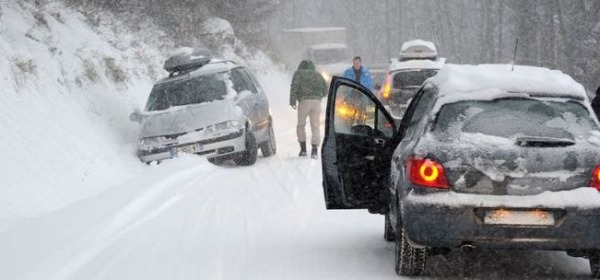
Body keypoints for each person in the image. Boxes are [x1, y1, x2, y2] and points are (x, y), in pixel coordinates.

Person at [290, 60, 328, 158]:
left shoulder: (298, 73)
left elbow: (294, 87)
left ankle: (303, 149)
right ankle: (314, 150)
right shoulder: (318, 75)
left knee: (301, 125)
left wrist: (293, 101)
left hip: (304, 101)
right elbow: (325, 89)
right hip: (316, 102)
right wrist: (318, 96)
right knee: (315, 126)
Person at [342, 56, 374, 124]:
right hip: (351, 97)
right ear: (353, 63)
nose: (356, 64)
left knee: (361, 117)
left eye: (358, 63)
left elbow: (369, 85)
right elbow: (343, 85)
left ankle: (360, 129)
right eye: (355, 63)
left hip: (362, 96)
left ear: (360, 63)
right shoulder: (347, 73)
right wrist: (344, 95)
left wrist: (370, 97)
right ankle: (349, 131)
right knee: (350, 117)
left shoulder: (366, 73)